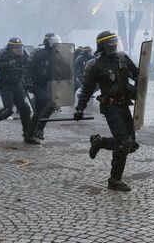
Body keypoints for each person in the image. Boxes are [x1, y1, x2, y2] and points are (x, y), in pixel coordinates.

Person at [73, 30, 139, 192]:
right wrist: (80, 108)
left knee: (131, 145)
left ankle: (100, 142)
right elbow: (87, 89)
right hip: (111, 107)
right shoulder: (95, 65)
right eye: (110, 43)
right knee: (124, 142)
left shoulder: (123, 58)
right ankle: (114, 180)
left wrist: (139, 83)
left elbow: (138, 75)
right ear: (102, 45)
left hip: (125, 105)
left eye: (114, 42)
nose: (113, 46)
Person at [0, 38, 38, 144]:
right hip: (6, 84)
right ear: (10, 47)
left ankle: (27, 135)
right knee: (7, 111)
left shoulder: (23, 53)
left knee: (25, 109)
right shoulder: (3, 53)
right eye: (16, 48)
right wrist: (7, 64)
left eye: (19, 47)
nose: (18, 50)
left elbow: (28, 64)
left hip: (17, 84)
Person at [27, 33, 62, 140]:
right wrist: (28, 81)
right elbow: (29, 68)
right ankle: (38, 130)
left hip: (48, 84)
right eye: (54, 41)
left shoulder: (57, 54)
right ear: (48, 42)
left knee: (39, 110)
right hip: (37, 84)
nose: (56, 44)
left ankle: (31, 134)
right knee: (49, 104)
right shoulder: (40, 54)